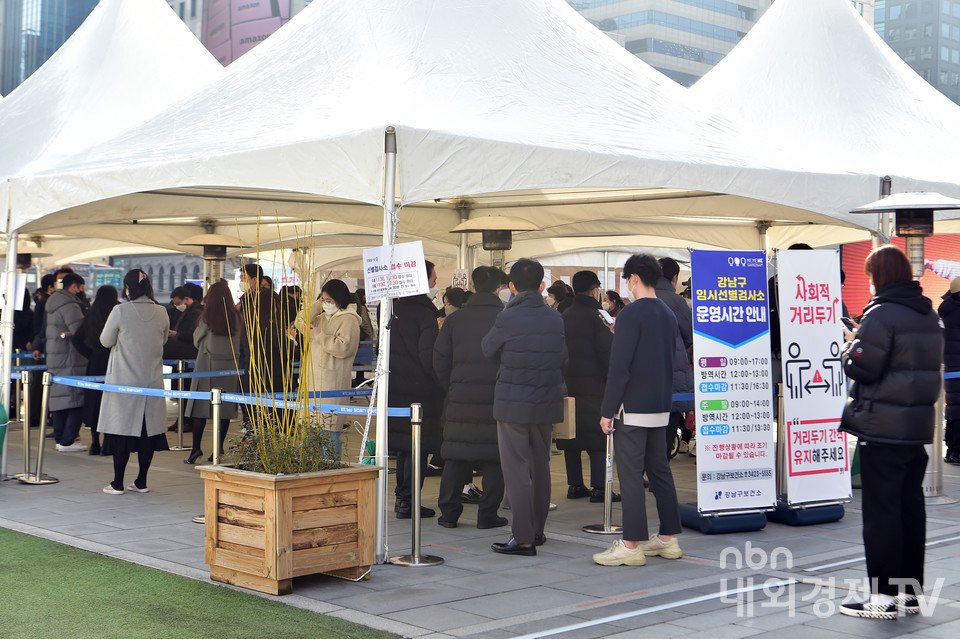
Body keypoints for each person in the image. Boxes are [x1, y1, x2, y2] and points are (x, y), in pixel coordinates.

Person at [838, 245, 943, 620]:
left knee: (881, 516)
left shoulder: (881, 314)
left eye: (869, 275)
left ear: (878, 276)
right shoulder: (927, 313)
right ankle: (910, 596)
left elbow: (864, 368)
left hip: (882, 428)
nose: (867, 282)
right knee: (910, 512)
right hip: (916, 430)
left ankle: (881, 599)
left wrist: (850, 348)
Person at [593, 254, 682, 567]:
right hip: (660, 405)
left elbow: (620, 367)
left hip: (632, 408)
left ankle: (631, 544)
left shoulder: (631, 315)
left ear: (632, 278)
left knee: (630, 475)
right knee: (660, 471)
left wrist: (607, 410)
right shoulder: (668, 314)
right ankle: (668, 539)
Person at [481, 258, 566, 556]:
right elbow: (563, 358)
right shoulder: (555, 317)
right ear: (542, 285)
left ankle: (523, 537)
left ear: (512, 286)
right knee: (541, 467)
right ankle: (538, 531)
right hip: (546, 402)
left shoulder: (507, 317)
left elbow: (487, 349)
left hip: (513, 404)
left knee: (516, 470)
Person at [434, 266, 508, 530]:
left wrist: (453, 386)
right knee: (495, 458)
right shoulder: (505, 318)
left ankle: (449, 515)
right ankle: (488, 515)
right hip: (497, 399)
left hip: (459, 399)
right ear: (499, 288)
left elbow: (439, 360)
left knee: (455, 455)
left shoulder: (454, 320)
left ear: (472, 287)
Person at [99, 270, 170, 495]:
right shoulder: (162, 312)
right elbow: (165, 339)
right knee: (147, 433)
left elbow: (105, 340)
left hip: (124, 382)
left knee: (122, 432)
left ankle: (117, 483)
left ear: (128, 288)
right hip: (152, 381)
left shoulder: (120, 311)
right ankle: (141, 481)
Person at [388, 260, 444, 519]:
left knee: (403, 447)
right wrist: (440, 381)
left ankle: (402, 499)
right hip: (419, 391)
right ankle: (409, 501)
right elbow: (428, 354)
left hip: (395, 387)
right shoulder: (425, 313)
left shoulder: (394, 309)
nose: (435, 282)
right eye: (433, 277)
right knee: (418, 448)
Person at [559, 270, 617, 503]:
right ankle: (600, 488)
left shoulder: (563, 314)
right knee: (598, 436)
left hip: (567, 385)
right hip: (595, 386)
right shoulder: (600, 317)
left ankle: (575, 485)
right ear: (595, 290)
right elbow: (608, 354)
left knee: (570, 434)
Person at [185, 281, 247, 465]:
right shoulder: (237, 316)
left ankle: (196, 449)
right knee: (225, 409)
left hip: (207, 366)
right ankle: (218, 448)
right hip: (229, 368)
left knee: (200, 409)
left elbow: (197, 340)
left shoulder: (207, 316)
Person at [302, 279, 361, 458]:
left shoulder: (349, 320)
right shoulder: (321, 318)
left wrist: (318, 335)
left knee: (330, 432)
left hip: (332, 384)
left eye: (328, 300)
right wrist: (315, 306)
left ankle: (332, 470)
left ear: (339, 299)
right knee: (312, 433)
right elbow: (299, 320)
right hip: (314, 383)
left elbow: (344, 348)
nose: (325, 304)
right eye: (323, 300)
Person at [72, 286, 119, 456]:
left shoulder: (91, 315)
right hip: (113, 362)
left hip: (95, 364)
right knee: (111, 400)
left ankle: (94, 442)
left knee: (94, 402)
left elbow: (76, 339)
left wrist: (90, 354)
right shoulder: (116, 313)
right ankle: (108, 443)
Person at [45, 273, 89, 452]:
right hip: (70, 358)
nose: (81, 291)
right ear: (74, 287)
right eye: (80, 287)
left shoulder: (53, 303)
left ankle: (60, 437)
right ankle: (68, 441)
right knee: (75, 397)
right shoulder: (70, 305)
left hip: (55, 356)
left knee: (59, 398)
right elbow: (79, 332)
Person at [655, 257, 695, 455]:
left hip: (647, 373)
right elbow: (688, 334)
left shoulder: (642, 296)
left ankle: (645, 472)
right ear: (675, 277)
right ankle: (658, 475)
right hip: (673, 368)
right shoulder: (677, 301)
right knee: (670, 419)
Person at [940, 277, 960, 465]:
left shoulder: (945, 311)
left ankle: (952, 449)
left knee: (954, 408)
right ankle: (957, 450)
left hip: (950, 368)